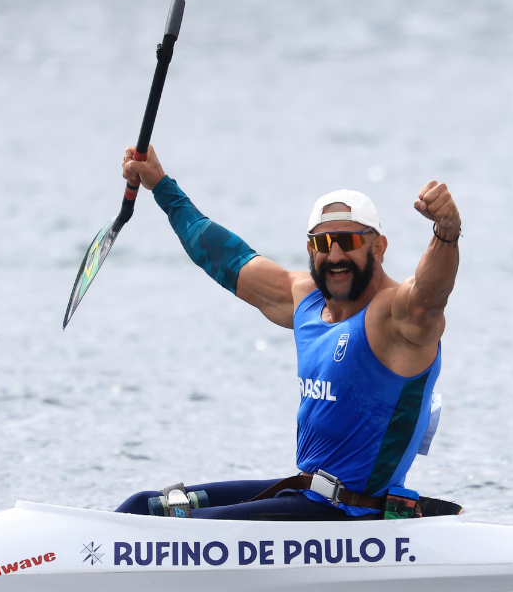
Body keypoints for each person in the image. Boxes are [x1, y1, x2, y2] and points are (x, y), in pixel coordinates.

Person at [115, 145, 461, 520]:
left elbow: (430, 296)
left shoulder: (396, 317)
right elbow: (224, 257)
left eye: (347, 241)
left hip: (355, 518)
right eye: (321, 244)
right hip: (308, 495)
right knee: (142, 506)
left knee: (177, 527)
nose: (334, 256)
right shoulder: (305, 302)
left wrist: (446, 232)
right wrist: (162, 186)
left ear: (378, 247)